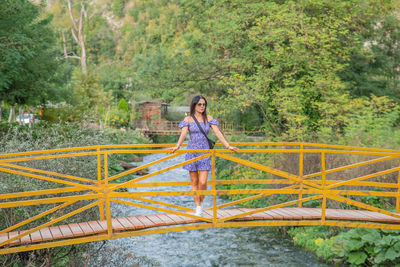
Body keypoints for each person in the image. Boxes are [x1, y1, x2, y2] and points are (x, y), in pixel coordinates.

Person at [170, 95, 238, 216]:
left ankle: (200, 203)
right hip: (191, 152)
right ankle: (198, 207)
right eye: (199, 104)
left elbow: (217, 133)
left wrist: (228, 146)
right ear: (194, 105)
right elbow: (183, 134)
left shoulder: (209, 118)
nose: (202, 107)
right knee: (194, 182)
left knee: (202, 182)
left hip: (205, 153)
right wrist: (177, 146)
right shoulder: (188, 119)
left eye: (204, 104)